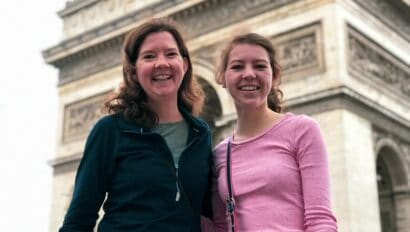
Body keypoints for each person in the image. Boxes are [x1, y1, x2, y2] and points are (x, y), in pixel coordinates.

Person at [59, 18, 213, 232]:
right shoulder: (110, 131)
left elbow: (210, 215)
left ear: (184, 65)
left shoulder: (201, 133)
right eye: (149, 56)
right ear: (133, 72)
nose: (162, 63)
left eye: (170, 54)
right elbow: (78, 220)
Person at [211, 33, 338, 231]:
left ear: (275, 74)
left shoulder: (302, 130)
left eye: (260, 66)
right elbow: (220, 226)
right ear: (222, 77)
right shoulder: (219, 154)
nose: (249, 74)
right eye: (237, 66)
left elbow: (320, 220)